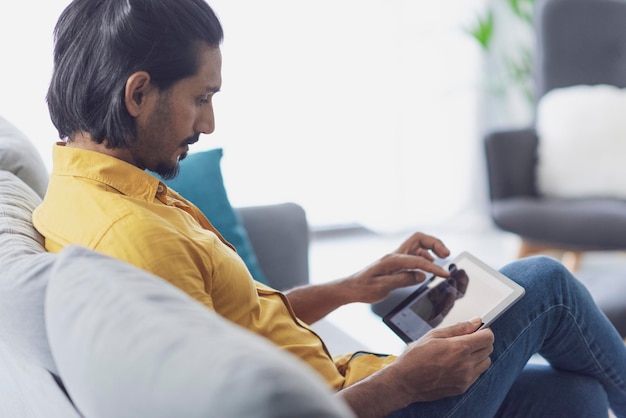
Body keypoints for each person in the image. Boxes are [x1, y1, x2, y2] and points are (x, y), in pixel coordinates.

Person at [33, 0, 626, 416]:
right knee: (544, 281)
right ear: (139, 93)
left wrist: (350, 288)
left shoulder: (97, 190)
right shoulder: (136, 237)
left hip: (344, 382)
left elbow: (228, 325)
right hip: (364, 408)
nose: (208, 123)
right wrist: (402, 382)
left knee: (571, 398)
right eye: (201, 99)